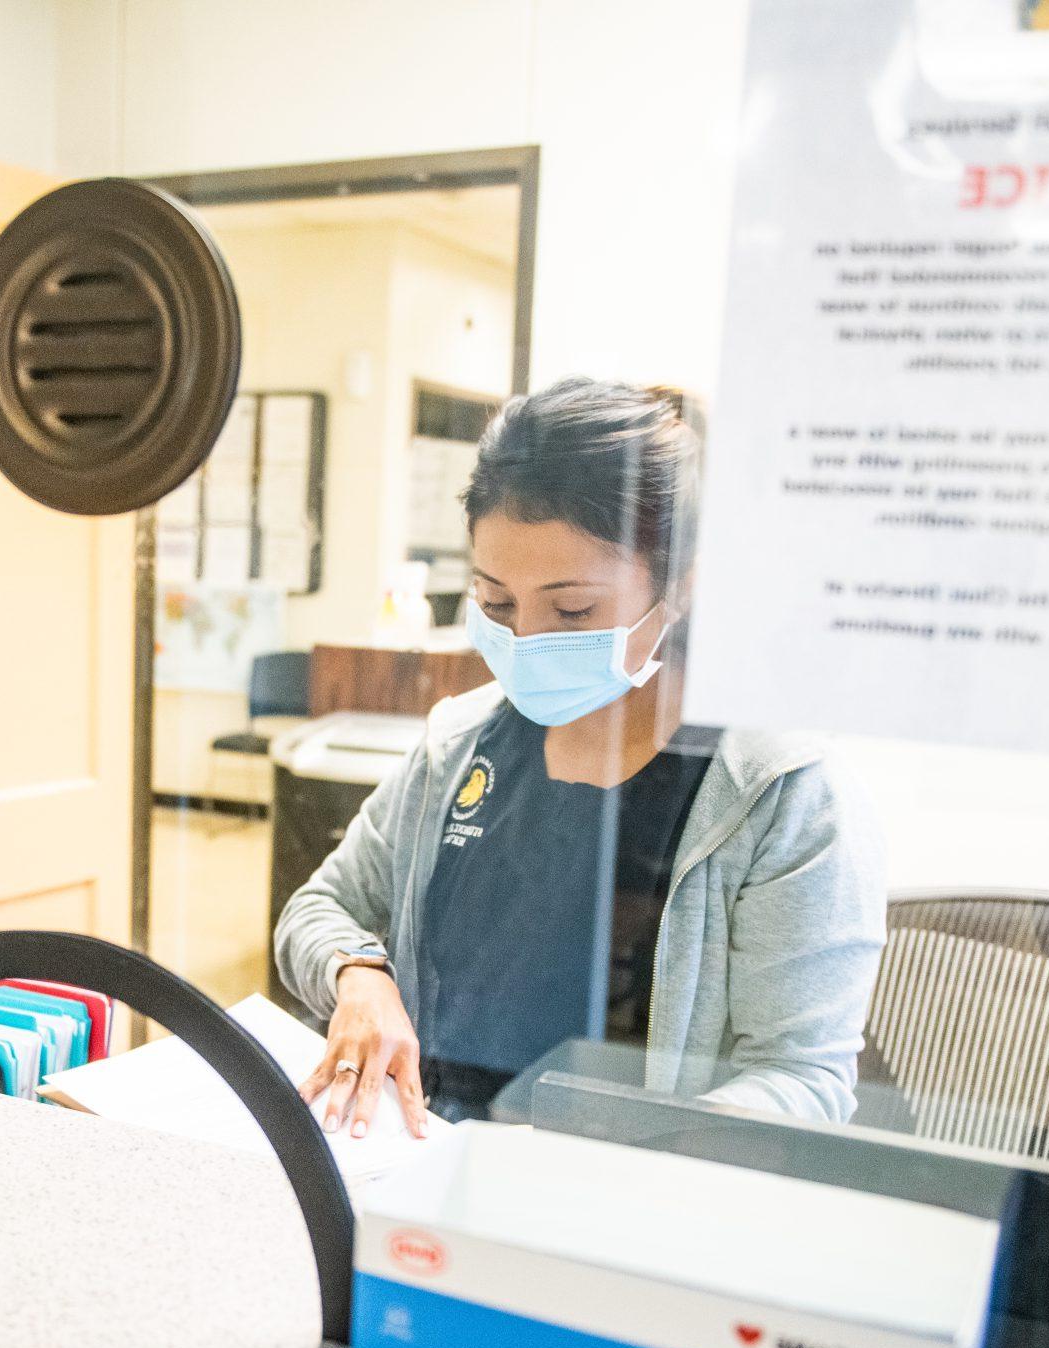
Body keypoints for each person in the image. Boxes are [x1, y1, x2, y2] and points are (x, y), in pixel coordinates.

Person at [274, 378, 885, 1136]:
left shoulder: (780, 795)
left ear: (682, 587)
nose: (525, 639)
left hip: (620, 1194)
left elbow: (802, 1078)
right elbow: (317, 908)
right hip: (420, 1163)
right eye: (496, 602)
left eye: (572, 611)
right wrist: (358, 975)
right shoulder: (460, 746)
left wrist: (643, 1155)